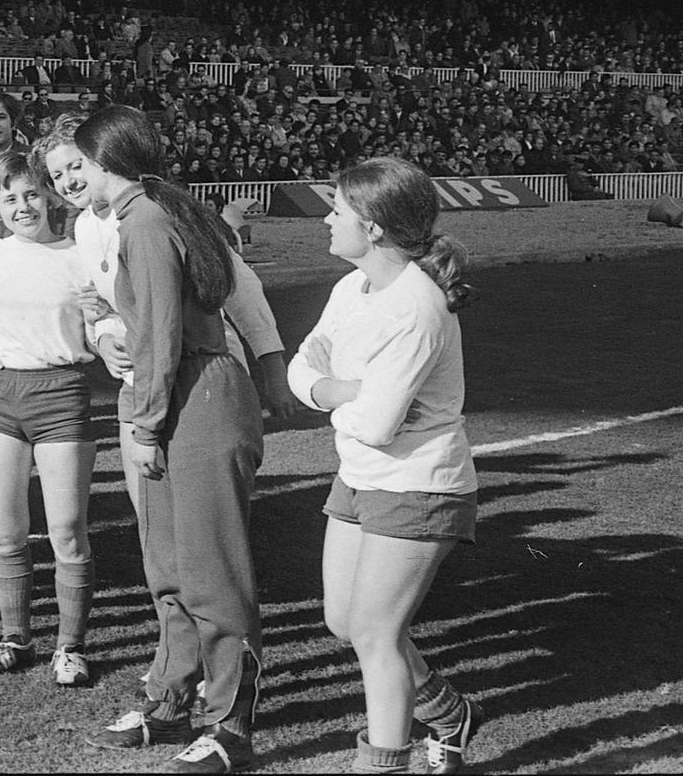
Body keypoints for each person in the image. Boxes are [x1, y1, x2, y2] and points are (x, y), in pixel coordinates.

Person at [75, 105, 263, 774]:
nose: (77, 178)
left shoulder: (148, 222)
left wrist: (147, 425)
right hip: (179, 396)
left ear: (105, 164)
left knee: (212, 572)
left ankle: (230, 725)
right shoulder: (149, 212)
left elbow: (159, 337)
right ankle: (170, 695)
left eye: (82, 164)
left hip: (198, 401)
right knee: (168, 565)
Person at [288, 157, 479, 776]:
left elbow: (376, 424)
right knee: (344, 621)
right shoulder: (354, 287)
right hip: (361, 475)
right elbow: (302, 364)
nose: (327, 218)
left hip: (419, 484)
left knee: (374, 633)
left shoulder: (416, 309)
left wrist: (329, 391)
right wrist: (341, 390)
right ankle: (448, 712)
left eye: (337, 209)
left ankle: (384, 767)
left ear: (372, 226)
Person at [0, 150, 96, 686]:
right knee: (6, 530)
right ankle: (13, 637)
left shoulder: (79, 254)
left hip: (62, 393)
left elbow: (103, 324)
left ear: (49, 196)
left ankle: (71, 645)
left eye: (31, 195)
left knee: (66, 530)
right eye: (9, 198)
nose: (23, 206)